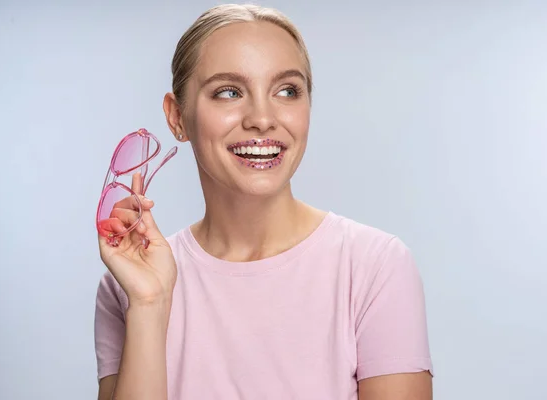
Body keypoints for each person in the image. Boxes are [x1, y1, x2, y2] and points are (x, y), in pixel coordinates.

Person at [94, 4, 433, 400]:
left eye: (287, 90)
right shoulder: (130, 287)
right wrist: (150, 305)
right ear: (177, 117)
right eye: (229, 92)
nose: (262, 118)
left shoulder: (375, 266)